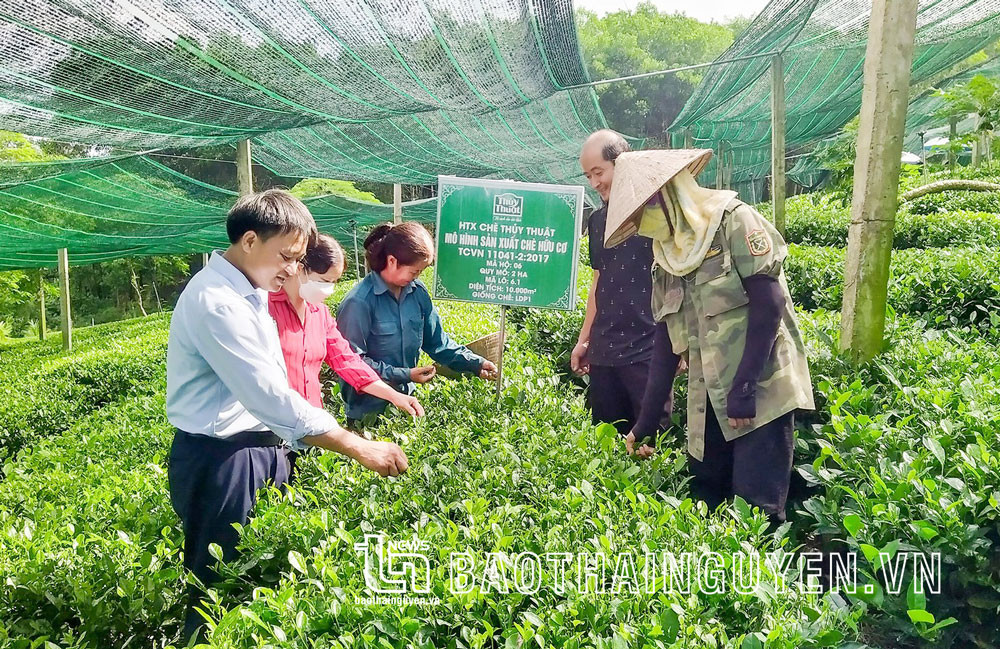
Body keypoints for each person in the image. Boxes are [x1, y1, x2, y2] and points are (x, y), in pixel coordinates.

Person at [166, 190, 409, 643]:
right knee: (216, 593)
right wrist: (357, 445)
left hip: (264, 449)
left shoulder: (249, 291)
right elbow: (271, 397)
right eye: (288, 256)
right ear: (251, 241)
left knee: (259, 587)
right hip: (224, 462)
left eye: (298, 260)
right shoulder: (219, 302)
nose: (292, 269)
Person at [605, 149, 815, 524]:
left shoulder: (734, 221)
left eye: (644, 211)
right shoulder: (667, 256)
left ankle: (763, 583)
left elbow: (770, 305)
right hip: (710, 397)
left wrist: (745, 387)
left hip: (762, 390)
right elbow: (667, 344)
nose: (642, 223)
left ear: (667, 196)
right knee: (707, 497)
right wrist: (645, 423)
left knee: (757, 513)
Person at [269, 233, 425, 476]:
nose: (329, 290)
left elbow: (347, 359)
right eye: (324, 280)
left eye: (335, 282)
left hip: (311, 431)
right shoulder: (265, 307)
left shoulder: (318, 313)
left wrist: (393, 395)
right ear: (300, 268)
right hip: (270, 432)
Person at [337, 222, 498, 424]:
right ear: (392, 261)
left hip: (409, 406)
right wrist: (405, 374)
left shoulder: (417, 292)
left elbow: (438, 343)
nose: (417, 277)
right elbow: (352, 364)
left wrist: (475, 363)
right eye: (414, 272)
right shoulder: (358, 303)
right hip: (368, 414)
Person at [572, 130, 674, 444]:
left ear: (622, 164)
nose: (594, 183)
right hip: (604, 352)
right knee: (606, 446)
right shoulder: (598, 221)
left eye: (599, 172)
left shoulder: (658, 216)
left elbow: (676, 280)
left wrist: (680, 345)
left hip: (649, 348)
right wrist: (584, 340)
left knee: (651, 445)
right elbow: (598, 283)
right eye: (588, 175)